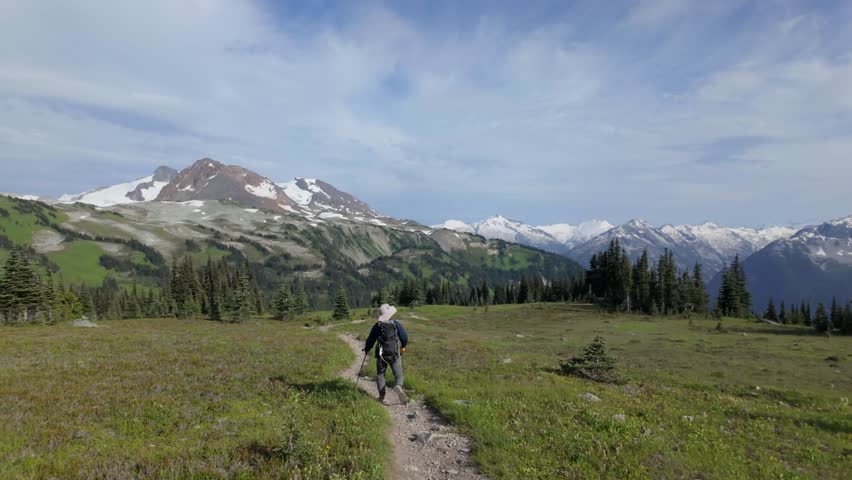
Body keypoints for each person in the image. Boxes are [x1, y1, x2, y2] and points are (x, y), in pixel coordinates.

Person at [363, 303, 409, 404]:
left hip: (381, 355)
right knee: (398, 374)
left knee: (380, 375)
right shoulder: (396, 323)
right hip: (394, 354)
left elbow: (370, 340)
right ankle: (398, 386)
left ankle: (382, 397)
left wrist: (366, 349)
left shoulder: (377, 326)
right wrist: (403, 346)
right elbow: (404, 337)